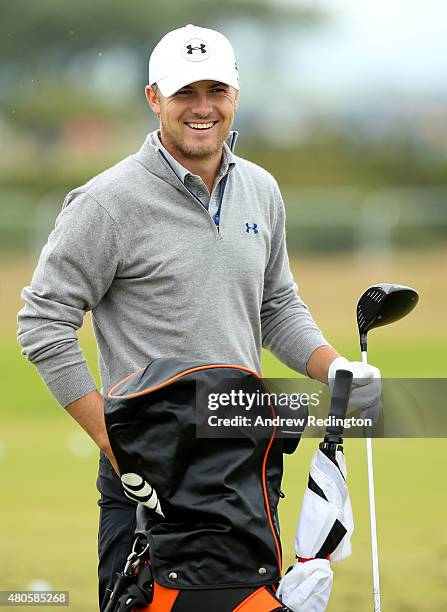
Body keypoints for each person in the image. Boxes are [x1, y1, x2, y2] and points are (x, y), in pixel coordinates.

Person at [17, 24, 380, 611]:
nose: (202, 107)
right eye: (185, 92)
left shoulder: (260, 190)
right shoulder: (106, 202)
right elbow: (43, 323)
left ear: (236, 93)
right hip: (150, 476)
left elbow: (276, 305)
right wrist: (116, 446)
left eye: (216, 90)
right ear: (154, 98)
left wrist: (333, 368)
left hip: (244, 468)